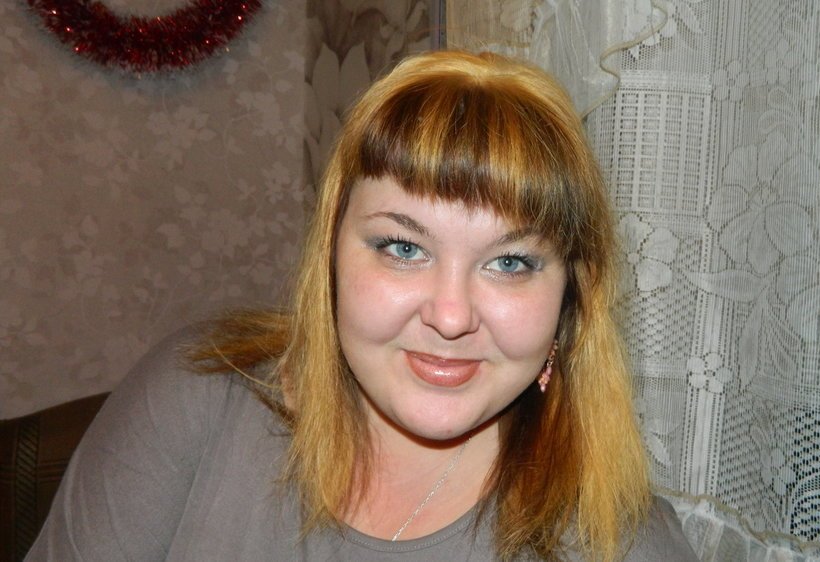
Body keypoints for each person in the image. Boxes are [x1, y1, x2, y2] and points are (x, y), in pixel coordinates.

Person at [28, 50, 698, 561]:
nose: (451, 316)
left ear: (571, 300)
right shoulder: (196, 398)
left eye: (509, 263)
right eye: (404, 248)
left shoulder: (620, 543)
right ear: (330, 254)